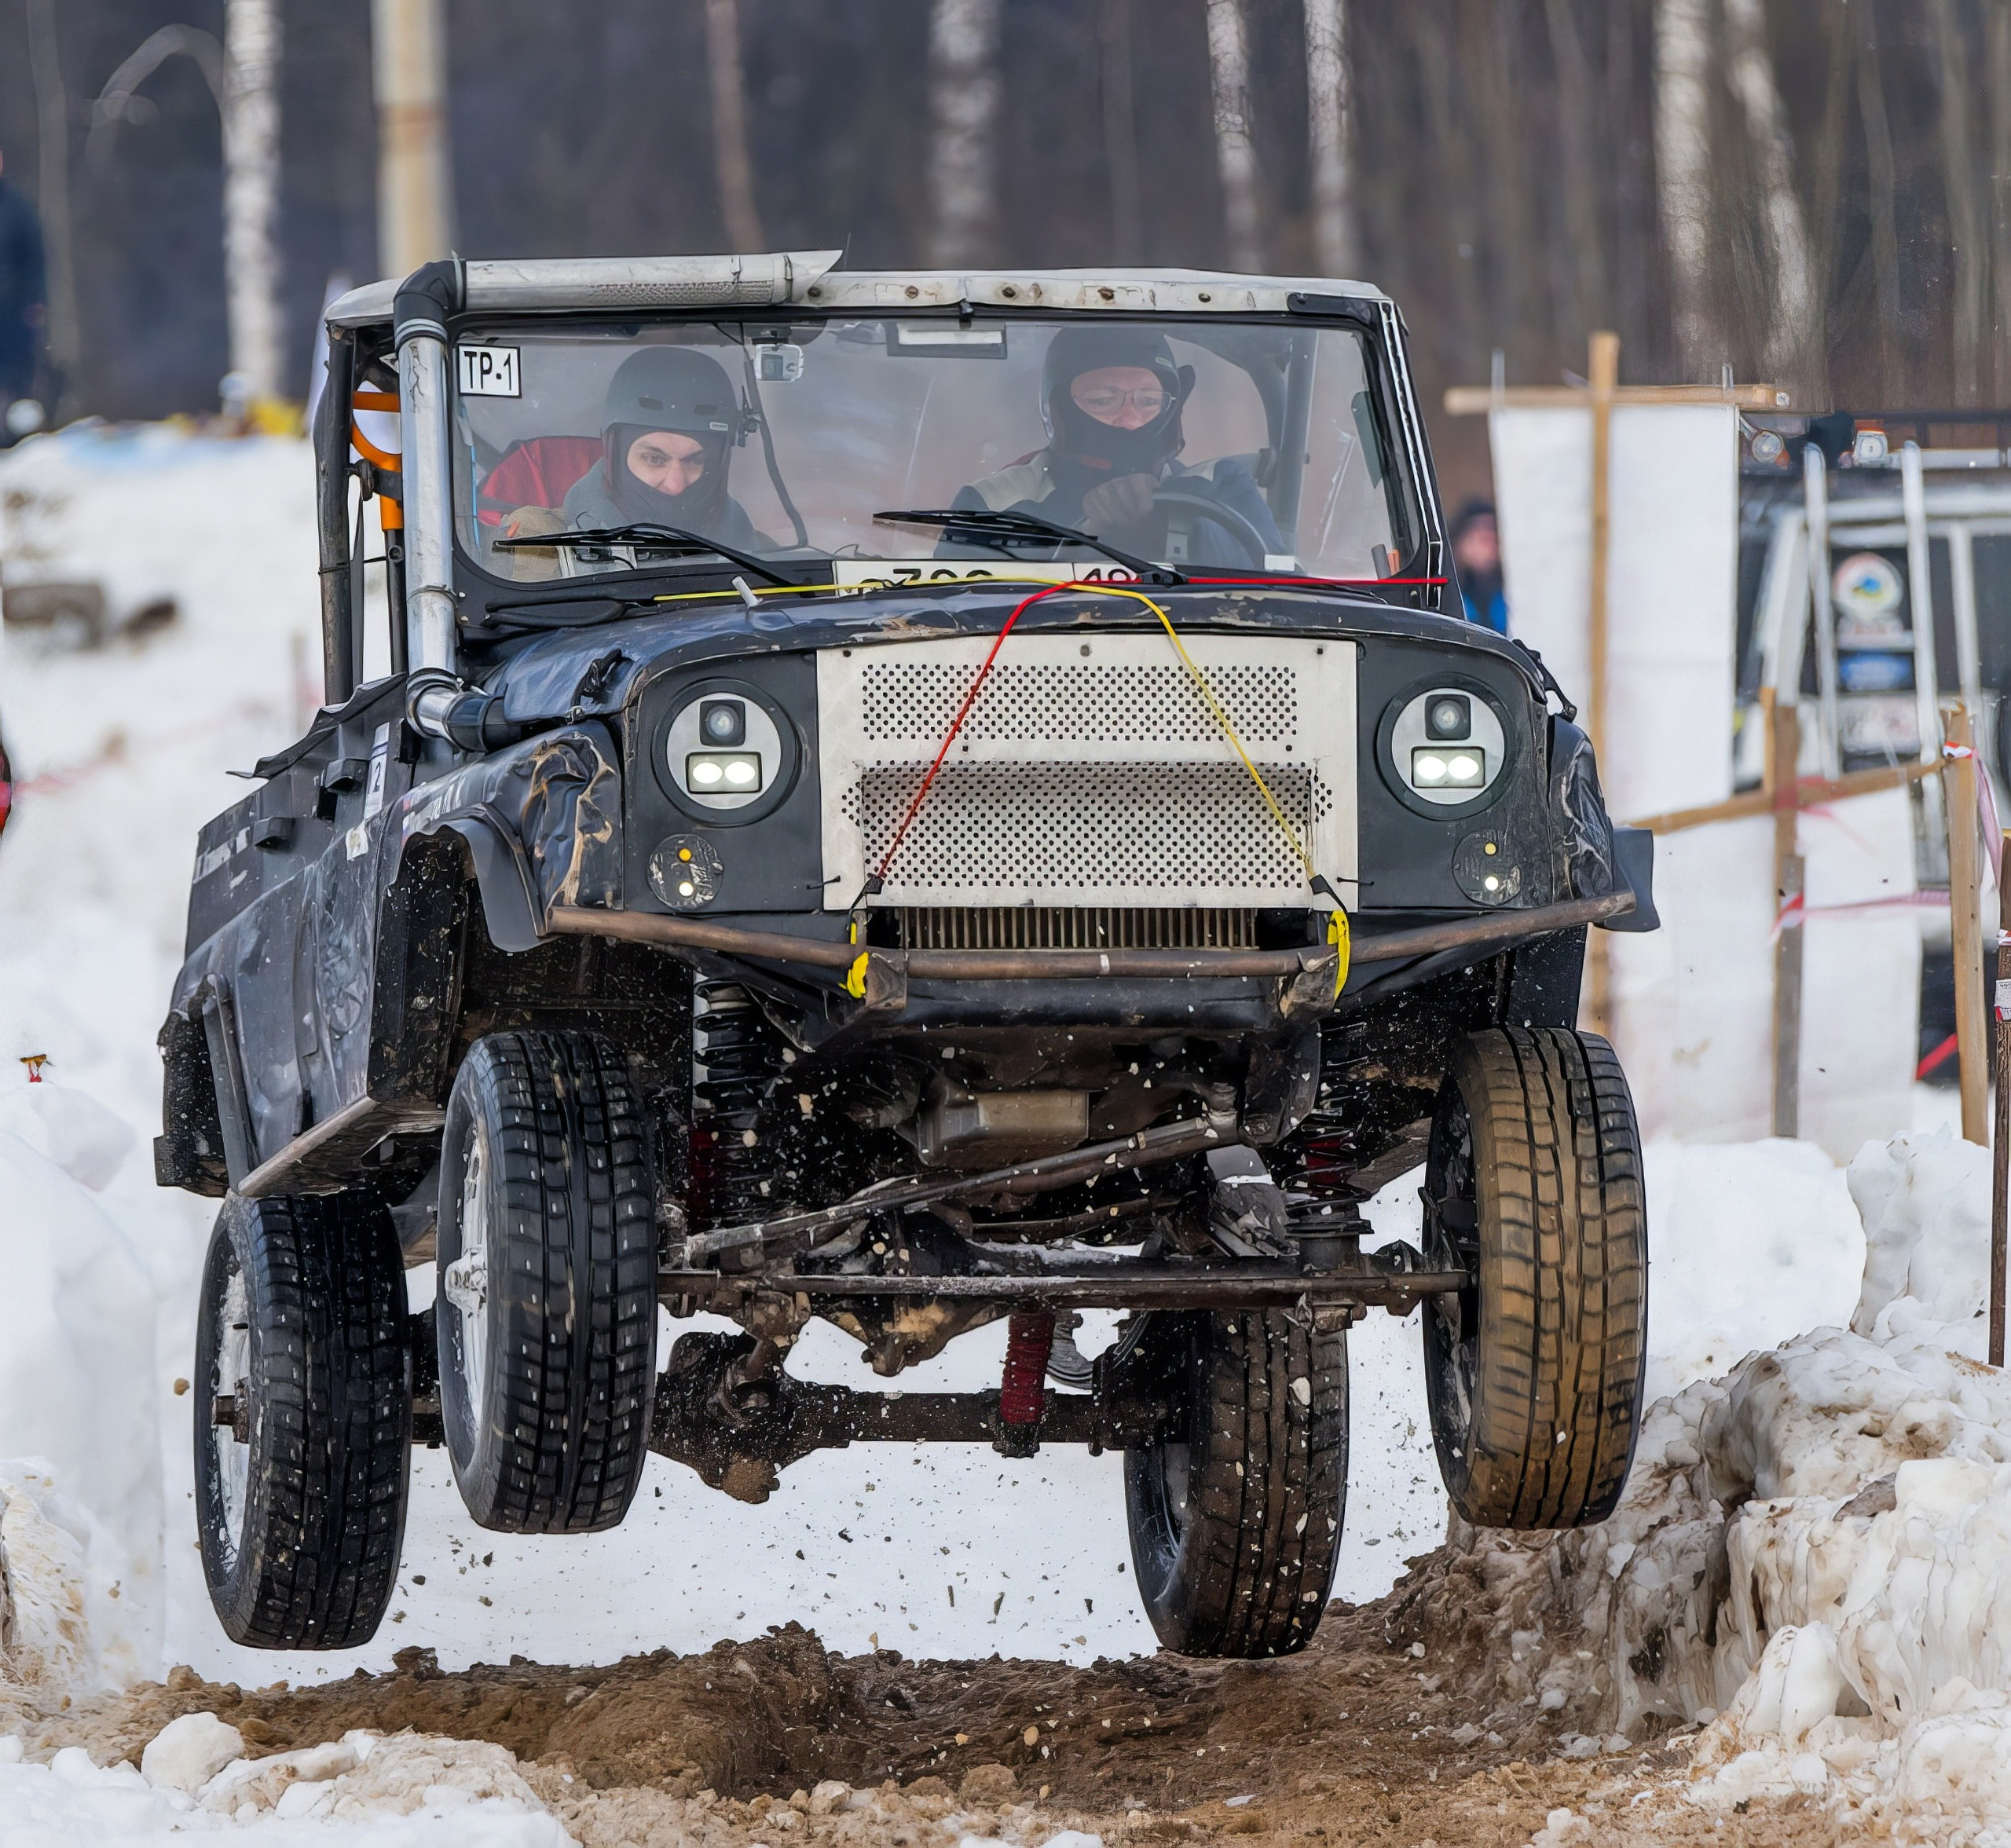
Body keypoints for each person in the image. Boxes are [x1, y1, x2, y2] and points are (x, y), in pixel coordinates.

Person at [951, 326, 1284, 568]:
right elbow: (960, 616)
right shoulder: (991, 505)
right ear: (1058, 410)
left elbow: (1277, 586)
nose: (1130, 419)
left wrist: (1169, 528)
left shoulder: (1219, 485)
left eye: (1148, 400)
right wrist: (1083, 541)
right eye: (1103, 400)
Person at [561, 346, 766, 549]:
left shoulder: (760, 557)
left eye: (695, 460)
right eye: (654, 459)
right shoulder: (543, 546)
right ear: (614, 456)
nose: (676, 485)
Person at [0, 148, 48, 446]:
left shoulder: (17, 207)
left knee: (14, 376)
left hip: (12, 309)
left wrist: (37, 301)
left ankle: (14, 439)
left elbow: (35, 258)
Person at [1450, 498, 1507, 632]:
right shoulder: (1448, 598)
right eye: (1480, 538)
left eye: (1493, 535)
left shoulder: (1516, 595)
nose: (1488, 545)